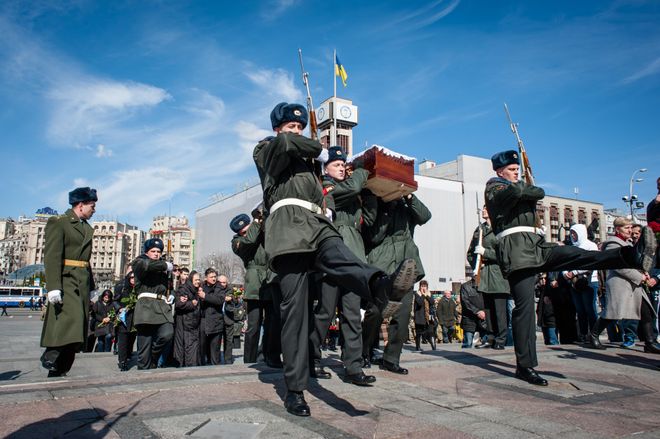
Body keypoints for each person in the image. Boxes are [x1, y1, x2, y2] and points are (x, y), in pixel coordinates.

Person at [253, 102, 417, 417]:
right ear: (278, 128)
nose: (296, 131)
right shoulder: (268, 148)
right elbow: (286, 144)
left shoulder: (312, 166)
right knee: (296, 315)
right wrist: (318, 146)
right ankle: (296, 390)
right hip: (288, 230)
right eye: (291, 126)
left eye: (300, 127)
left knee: (341, 256)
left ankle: (381, 285)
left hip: (318, 226)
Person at [485, 150, 657, 386]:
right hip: (516, 253)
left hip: (537, 245)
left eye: (518, 169)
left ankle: (630, 256)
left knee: (577, 254)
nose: (517, 174)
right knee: (524, 309)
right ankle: (524, 366)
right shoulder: (493, 187)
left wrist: (528, 188)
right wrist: (525, 187)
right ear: (499, 171)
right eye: (513, 170)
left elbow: (538, 192)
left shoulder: (515, 187)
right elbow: (522, 192)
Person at [309, 146, 376, 386]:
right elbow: (353, 186)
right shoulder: (325, 187)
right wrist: (361, 171)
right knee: (325, 313)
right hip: (332, 259)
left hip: (354, 259)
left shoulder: (351, 191)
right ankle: (312, 358)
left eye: (343, 165)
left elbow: (368, 220)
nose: (341, 168)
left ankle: (353, 367)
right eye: (337, 164)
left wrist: (370, 196)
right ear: (326, 167)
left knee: (351, 316)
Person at [361, 192, 432, 374]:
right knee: (375, 312)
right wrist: (385, 208)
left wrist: (409, 196)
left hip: (406, 264)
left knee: (402, 315)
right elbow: (374, 236)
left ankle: (391, 358)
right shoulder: (374, 205)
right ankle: (365, 351)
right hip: (381, 265)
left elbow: (425, 215)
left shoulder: (406, 206)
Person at [40, 187, 97, 377]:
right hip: (66, 280)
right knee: (71, 321)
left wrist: (93, 287)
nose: (94, 209)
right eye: (92, 205)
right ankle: (51, 354)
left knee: (80, 331)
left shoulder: (86, 228)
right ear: (81, 205)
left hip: (82, 281)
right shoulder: (59, 223)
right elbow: (52, 256)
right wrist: (53, 287)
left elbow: (86, 261)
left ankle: (60, 369)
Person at [587, 217, 660, 353]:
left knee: (646, 311)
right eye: (627, 228)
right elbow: (619, 266)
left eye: (631, 227)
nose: (630, 230)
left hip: (633, 283)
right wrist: (640, 277)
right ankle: (594, 335)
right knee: (612, 313)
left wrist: (644, 273)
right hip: (619, 284)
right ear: (617, 229)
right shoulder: (613, 244)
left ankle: (650, 342)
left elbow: (633, 263)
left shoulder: (628, 243)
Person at [231, 211, 282, 367]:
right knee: (253, 326)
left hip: (271, 278)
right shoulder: (238, 242)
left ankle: (269, 356)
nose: (247, 232)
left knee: (273, 323)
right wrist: (256, 222)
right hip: (254, 283)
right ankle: (250, 360)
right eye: (244, 231)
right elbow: (250, 239)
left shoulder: (261, 230)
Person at [467, 206, 510, 350]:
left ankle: (501, 338)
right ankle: (490, 337)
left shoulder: (500, 229)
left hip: (498, 276)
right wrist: (476, 265)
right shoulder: (479, 230)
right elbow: (471, 252)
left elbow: (505, 253)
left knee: (499, 311)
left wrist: (486, 252)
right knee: (488, 310)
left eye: (486, 208)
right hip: (484, 275)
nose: (483, 210)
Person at [132, 238, 175, 370]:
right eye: (153, 251)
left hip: (162, 305)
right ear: (147, 252)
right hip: (146, 305)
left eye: (159, 251)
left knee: (167, 333)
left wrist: (172, 294)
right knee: (144, 347)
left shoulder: (164, 266)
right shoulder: (139, 261)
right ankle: (144, 368)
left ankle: (154, 356)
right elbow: (147, 266)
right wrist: (165, 265)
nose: (156, 254)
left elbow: (169, 286)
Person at [562, 224, 599, 342]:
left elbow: (592, 262)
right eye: (571, 233)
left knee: (590, 310)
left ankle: (594, 334)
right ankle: (583, 334)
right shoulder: (572, 247)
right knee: (580, 310)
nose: (572, 235)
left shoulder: (591, 245)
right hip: (574, 283)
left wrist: (575, 272)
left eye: (575, 233)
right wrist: (565, 273)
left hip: (589, 282)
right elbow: (565, 263)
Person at [199, 269, 232, 365]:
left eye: (215, 277)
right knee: (202, 348)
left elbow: (220, 300)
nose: (214, 279)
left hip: (216, 322)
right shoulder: (201, 287)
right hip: (203, 321)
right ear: (206, 278)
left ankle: (215, 368)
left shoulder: (219, 287)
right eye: (211, 277)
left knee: (215, 351)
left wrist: (205, 296)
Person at [173, 270, 202, 367]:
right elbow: (179, 304)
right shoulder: (184, 289)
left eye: (199, 280)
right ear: (191, 280)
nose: (198, 281)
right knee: (187, 347)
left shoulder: (196, 290)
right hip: (186, 323)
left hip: (192, 323)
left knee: (191, 347)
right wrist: (192, 304)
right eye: (196, 280)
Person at [115, 271, 137, 371]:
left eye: (135, 277)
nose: (133, 279)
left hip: (134, 318)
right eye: (131, 277)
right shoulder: (123, 288)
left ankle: (128, 355)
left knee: (131, 338)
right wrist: (119, 309)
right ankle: (122, 361)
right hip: (124, 317)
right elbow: (115, 301)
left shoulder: (138, 290)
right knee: (123, 339)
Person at [459, 274, 487, 348]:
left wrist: (484, 312)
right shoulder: (465, 286)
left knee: (486, 345)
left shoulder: (486, 285)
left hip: (483, 319)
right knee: (467, 344)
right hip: (469, 319)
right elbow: (465, 302)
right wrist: (477, 311)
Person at [413, 280, 436, 351]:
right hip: (420, 317)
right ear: (420, 287)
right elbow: (419, 303)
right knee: (419, 333)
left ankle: (433, 345)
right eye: (422, 286)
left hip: (429, 317)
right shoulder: (417, 294)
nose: (423, 288)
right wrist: (423, 295)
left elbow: (432, 302)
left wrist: (427, 295)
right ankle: (418, 346)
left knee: (430, 331)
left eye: (425, 286)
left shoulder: (429, 293)